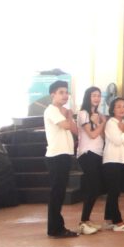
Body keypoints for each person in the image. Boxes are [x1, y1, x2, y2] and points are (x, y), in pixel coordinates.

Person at [44, 79, 78, 238]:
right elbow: (66, 126)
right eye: (61, 92)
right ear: (53, 95)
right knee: (56, 193)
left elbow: (75, 129)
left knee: (60, 192)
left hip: (64, 155)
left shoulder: (63, 112)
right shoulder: (51, 110)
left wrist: (68, 116)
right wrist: (69, 115)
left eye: (66, 92)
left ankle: (57, 227)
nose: (65, 95)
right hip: (56, 156)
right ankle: (55, 229)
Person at [102, 97, 124, 232]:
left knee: (115, 192)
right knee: (113, 191)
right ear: (112, 109)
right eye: (118, 106)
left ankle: (109, 219)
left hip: (123, 159)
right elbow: (117, 140)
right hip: (112, 160)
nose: (122, 109)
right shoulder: (111, 123)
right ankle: (118, 222)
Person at [76, 86, 106, 235]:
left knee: (95, 187)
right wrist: (102, 123)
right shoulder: (83, 113)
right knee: (93, 187)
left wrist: (100, 122)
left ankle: (86, 219)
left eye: (98, 96)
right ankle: (83, 222)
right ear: (88, 97)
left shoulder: (98, 114)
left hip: (98, 153)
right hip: (87, 153)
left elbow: (102, 135)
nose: (96, 98)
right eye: (94, 95)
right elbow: (92, 135)